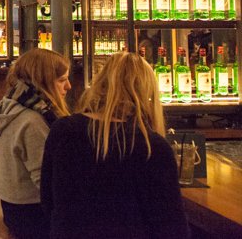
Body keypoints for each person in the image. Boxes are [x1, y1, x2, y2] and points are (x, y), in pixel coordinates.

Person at [41, 52, 190, 238]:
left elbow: (47, 200)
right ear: (147, 93)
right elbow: (171, 227)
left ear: (100, 84)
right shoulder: (152, 147)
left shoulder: (63, 129)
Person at [0, 48, 71, 239]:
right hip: (30, 214)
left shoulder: (12, 105)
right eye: (61, 80)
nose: (68, 86)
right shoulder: (33, 122)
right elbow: (45, 182)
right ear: (42, 83)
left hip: (13, 207)